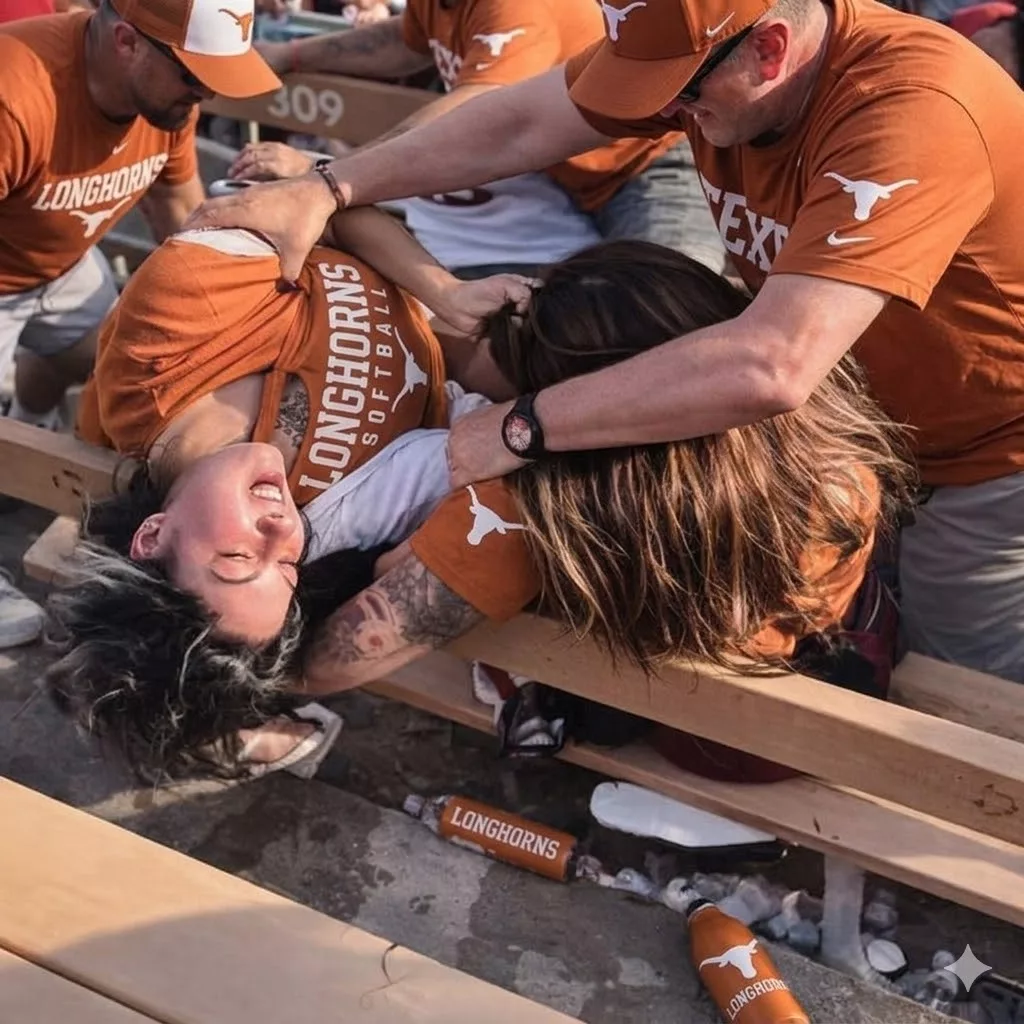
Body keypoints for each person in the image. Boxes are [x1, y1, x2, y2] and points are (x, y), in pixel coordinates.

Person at [185, 0, 1024, 684]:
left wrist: (519, 428)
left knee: (953, 676)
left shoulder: (913, 108)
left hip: (987, 447)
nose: (666, 114)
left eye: (683, 93)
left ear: (769, 48)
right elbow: (516, 122)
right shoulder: (706, 49)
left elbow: (772, 363)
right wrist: (332, 187)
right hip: (865, 414)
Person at [46, 238, 911, 782]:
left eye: (527, 360)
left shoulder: (530, 512)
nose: (286, 535)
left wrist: (209, 664)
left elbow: (333, 660)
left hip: (704, 719)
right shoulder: (811, 412)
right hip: (796, 628)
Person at [44, 204, 528, 778]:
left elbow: (328, 208)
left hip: (454, 270)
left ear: (152, 534)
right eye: (289, 567)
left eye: (238, 557)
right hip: (509, 328)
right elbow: (502, 468)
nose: (284, 530)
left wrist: (443, 292)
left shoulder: (167, 332)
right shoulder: (338, 515)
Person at [0, 0, 281, 648]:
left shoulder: (167, 99)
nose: (206, 92)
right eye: (195, 76)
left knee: (122, 370)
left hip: (65, 261)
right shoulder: (19, 92)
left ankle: (29, 421)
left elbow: (179, 208)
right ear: (128, 41)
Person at [243, 0, 724, 274]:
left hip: (650, 165)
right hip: (558, 175)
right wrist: (293, 54)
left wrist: (323, 177)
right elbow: (403, 43)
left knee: (660, 315)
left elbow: (478, 116)